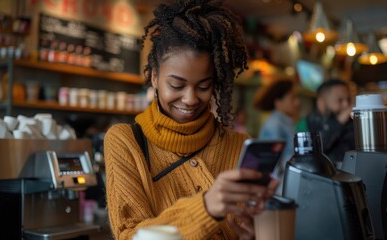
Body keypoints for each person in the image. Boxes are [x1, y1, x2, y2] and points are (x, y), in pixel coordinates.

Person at [104, 1, 279, 239]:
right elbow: (128, 235)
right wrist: (206, 207)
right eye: (177, 85)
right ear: (154, 77)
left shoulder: (239, 145)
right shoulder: (126, 142)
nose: (190, 99)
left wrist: (258, 231)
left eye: (204, 86)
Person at [253, 79, 300, 193]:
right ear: (278, 102)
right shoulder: (275, 124)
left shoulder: (285, 122)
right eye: (292, 98)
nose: (297, 102)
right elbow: (272, 166)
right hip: (280, 189)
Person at [296, 79, 354, 166]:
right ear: (321, 103)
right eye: (339, 100)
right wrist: (339, 122)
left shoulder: (351, 122)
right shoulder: (305, 124)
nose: (346, 105)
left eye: (348, 99)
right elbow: (312, 152)